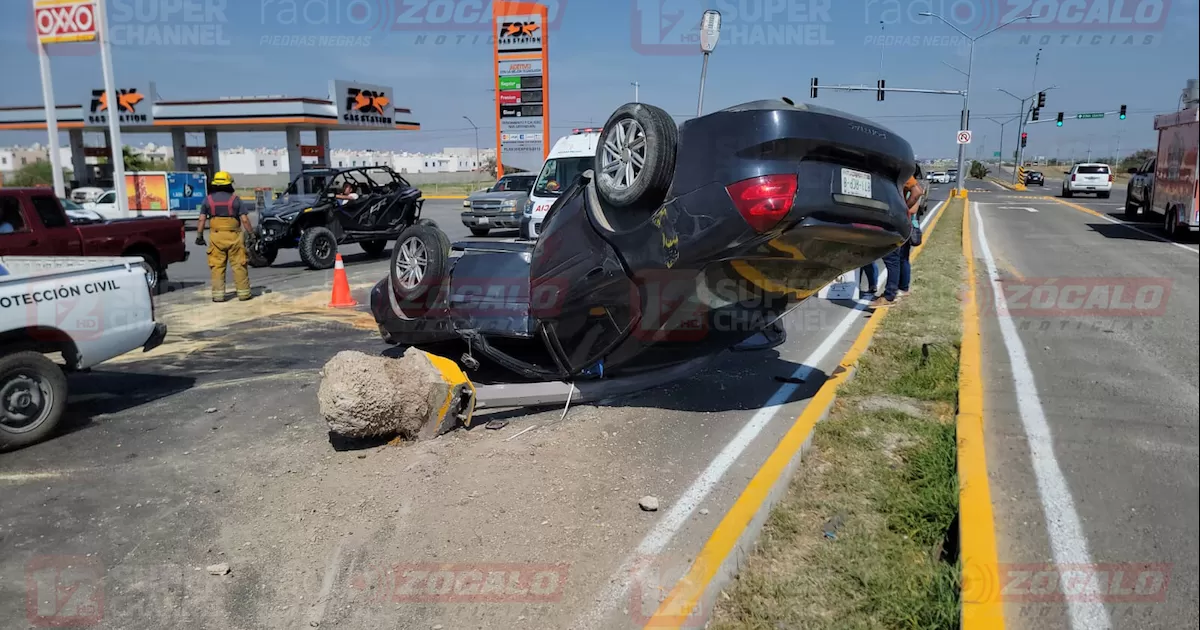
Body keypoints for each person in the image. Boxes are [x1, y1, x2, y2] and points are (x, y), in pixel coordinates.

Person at [195, 171, 253, 303]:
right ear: (229, 185)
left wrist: (199, 236)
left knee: (217, 266)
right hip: (234, 237)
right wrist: (251, 234)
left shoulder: (208, 200)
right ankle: (244, 294)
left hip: (216, 237)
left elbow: (202, 220)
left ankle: (218, 295)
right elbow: (244, 220)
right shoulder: (235, 200)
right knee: (239, 265)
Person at [869, 169, 924, 308]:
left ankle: (889, 295)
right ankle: (900, 289)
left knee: (891, 258)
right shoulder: (902, 174)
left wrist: (902, 209)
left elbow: (917, 192)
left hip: (894, 221)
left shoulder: (900, 173)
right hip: (900, 222)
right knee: (899, 258)